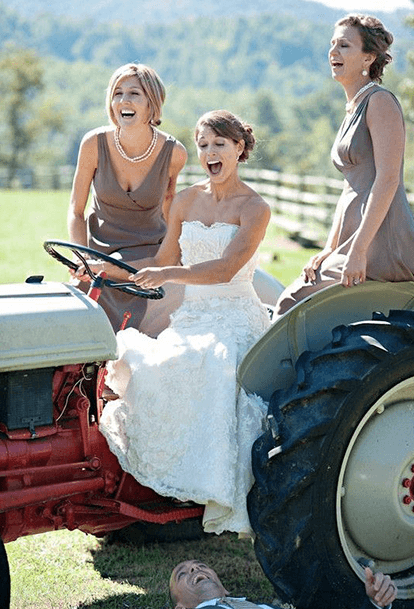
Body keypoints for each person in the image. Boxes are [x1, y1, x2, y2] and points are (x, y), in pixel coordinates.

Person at [99, 110, 271, 537]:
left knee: (214, 362)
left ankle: (216, 491)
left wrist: (168, 275)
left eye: (220, 144)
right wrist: (105, 270)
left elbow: (226, 269)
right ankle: (165, 487)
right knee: (151, 363)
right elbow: (160, 263)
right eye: (204, 144)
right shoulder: (186, 200)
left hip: (235, 317)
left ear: (239, 149)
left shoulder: (256, 207)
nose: (210, 152)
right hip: (193, 316)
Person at [273, 14, 414, 318]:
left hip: (383, 238)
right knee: (293, 302)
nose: (333, 52)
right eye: (332, 44)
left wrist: (358, 250)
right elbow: (350, 188)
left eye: (345, 45)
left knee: (292, 301)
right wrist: (329, 248)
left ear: (368, 57)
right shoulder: (353, 106)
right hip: (355, 237)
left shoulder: (380, 102)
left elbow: (387, 180)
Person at [67, 62, 187, 334]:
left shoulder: (174, 154)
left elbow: (169, 208)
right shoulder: (93, 145)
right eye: (118, 93)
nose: (124, 100)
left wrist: (173, 257)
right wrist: (81, 258)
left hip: (146, 253)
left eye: (134, 93)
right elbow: (76, 210)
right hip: (98, 250)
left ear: (151, 103)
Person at [152, 558, 397, 609]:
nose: (195, 569)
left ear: (225, 589)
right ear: (180, 607)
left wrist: (377, 604)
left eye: (200, 565)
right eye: (182, 574)